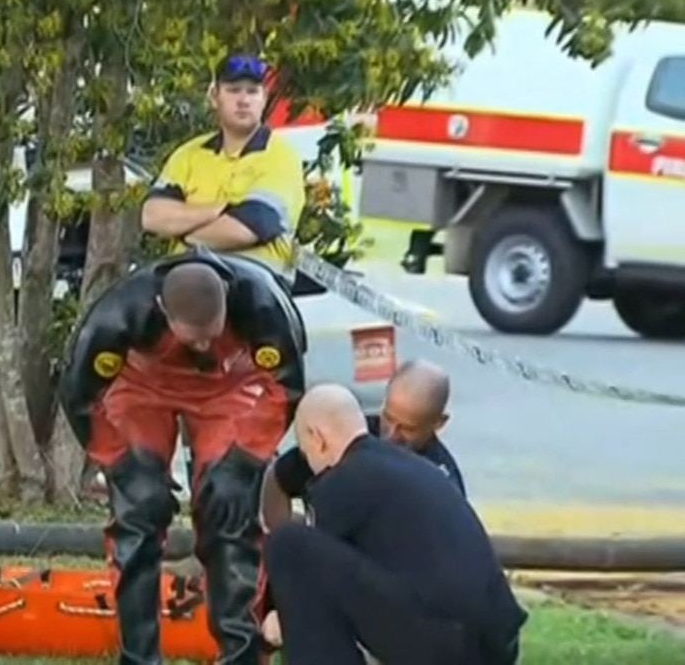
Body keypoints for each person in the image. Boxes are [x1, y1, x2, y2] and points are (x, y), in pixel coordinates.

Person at [58, 247, 306, 665]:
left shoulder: (262, 302)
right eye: (196, 336)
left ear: (227, 298)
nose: (207, 342)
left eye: (214, 331)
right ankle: (138, 657)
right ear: (161, 310)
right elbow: (80, 398)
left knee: (229, 511)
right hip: (143, 386)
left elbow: (286, 390)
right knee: (136, 513)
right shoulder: (118, 314)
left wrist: (244, 459)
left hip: (229, 385)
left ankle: (242, 653)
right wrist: (120, 461)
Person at [263, 384, 527, 665]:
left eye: (305, 452)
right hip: (495, 644)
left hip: (449, 645)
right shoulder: (415, 465)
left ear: (317, 438)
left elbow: (313, 592)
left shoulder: (341, 482)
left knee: (291, 545)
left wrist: (277, 624)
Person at [140, 52, 307, 279]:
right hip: (185, 285)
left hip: (257, 291)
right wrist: (218, 210)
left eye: (252, 91)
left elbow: (242, 231)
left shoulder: (280, 156)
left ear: (264, 98)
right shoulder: (189, 154)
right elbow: (152, 217)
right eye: (233, 90)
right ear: (214, 96)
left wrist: (185, 235)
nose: (244, 100)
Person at [260, 358, 464, 531]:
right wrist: (280, 538)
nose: (392, 435)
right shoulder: (351, 433)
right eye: (388, 418)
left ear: (439, 423)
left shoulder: (443, 486)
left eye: (407, 429)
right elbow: (281, 476)